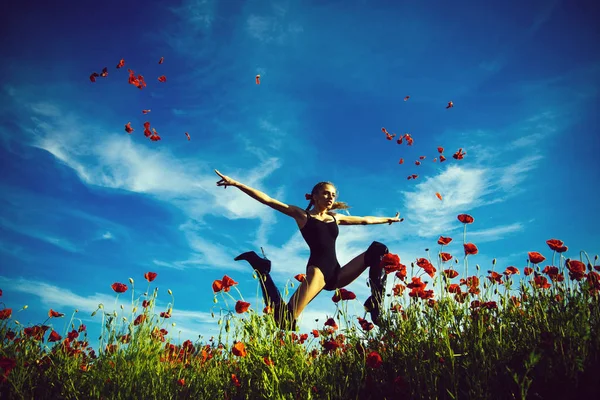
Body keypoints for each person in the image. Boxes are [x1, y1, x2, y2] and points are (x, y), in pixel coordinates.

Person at [215, 169, 402, 329]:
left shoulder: (335, 218)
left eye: (333, 195)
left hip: (337, 272)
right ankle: (262, 268)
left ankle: (375, 306)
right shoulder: (303, 216)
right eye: (326, 193)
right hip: (318, 271)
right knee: (285, 322)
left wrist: (389, 219)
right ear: (315, 196)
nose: (331, 197)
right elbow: (269, 200)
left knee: (378, 249)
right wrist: (236, 183)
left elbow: (365, 220)